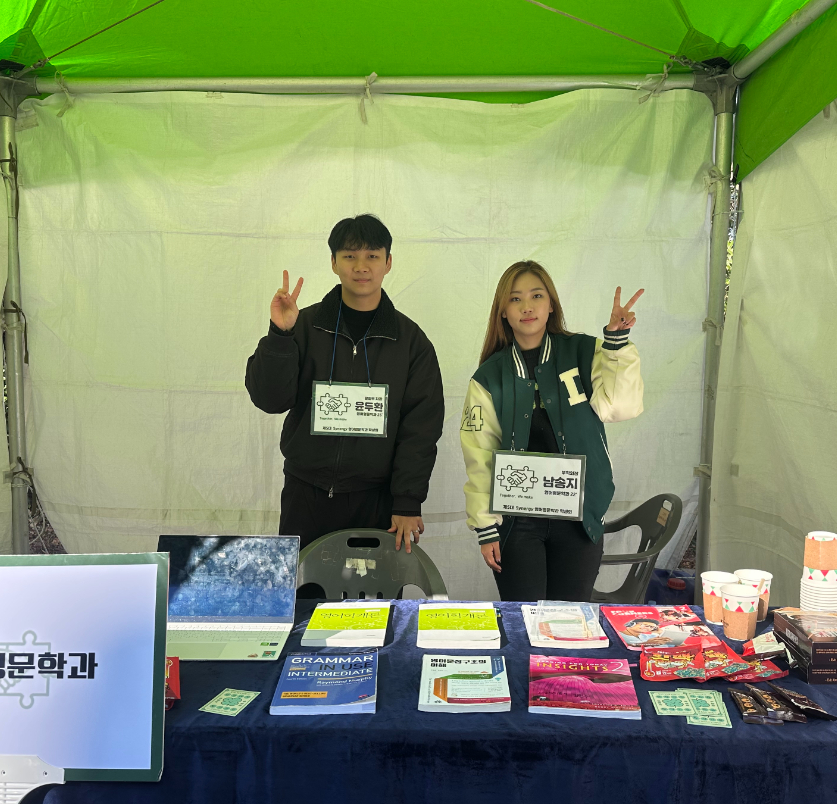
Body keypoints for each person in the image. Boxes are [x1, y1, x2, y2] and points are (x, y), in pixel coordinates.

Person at [245, 214, 444, 553]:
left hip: (376, 499)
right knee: (304, 585)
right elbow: (270, 399)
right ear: (334, 263)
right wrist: (280, 334)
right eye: (349, 256)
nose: (361, 266)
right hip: (305, 494)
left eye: (372, 256)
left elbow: (421, 427)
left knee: (372, 589)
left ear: (388, 263)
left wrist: (407, 500)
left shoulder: (410, 341)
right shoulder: (303, 325)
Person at [460, 260, 644, 601]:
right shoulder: (489, 377)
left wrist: (616, 342)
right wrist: (485, 526)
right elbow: (479, 454)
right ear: (503, 312)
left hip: (578, 517)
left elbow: (619, 407)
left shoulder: (585, 351)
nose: (527, 307)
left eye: (536, 296)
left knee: (570, 621)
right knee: (524, 619)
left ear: (551, 305)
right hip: (516, 521)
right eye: (515, 299)